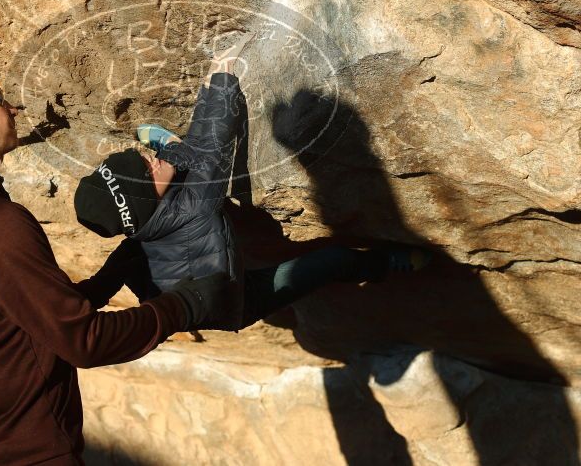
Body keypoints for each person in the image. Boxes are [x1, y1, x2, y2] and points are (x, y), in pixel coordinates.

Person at [0, 65, 241, 466]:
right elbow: (85, 341)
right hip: (26, 455)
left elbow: (12, 317)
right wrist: (184, 306)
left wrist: (104, 283)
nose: (13, 108)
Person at [74, 34, 432, 328]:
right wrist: (220, 71)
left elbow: (103, 283)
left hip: (182, 273)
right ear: (141, 203)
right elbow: (213, 143)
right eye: (147, 168)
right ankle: (384, 264)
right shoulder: (195, 204)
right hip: (235, 301)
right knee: (333, 261)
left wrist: (81, 301)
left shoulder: (135, 233)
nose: (146, 158)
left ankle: (175, 151)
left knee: (134, 249)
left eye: (141, 156)